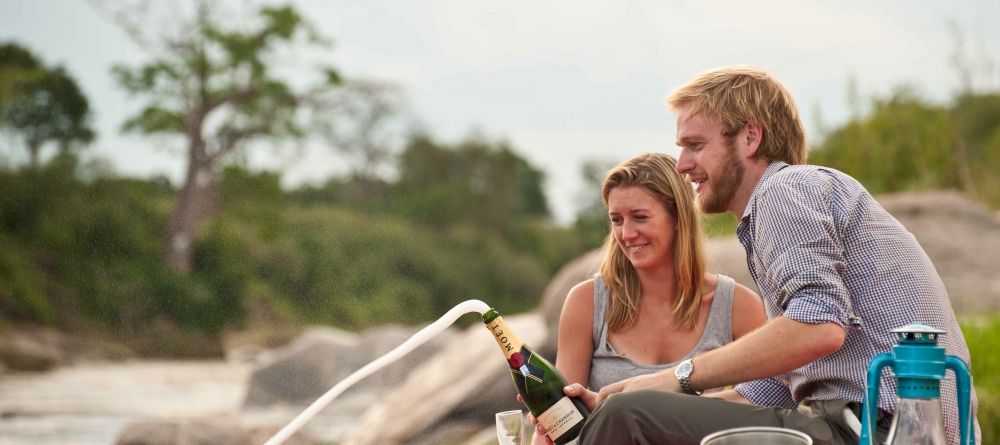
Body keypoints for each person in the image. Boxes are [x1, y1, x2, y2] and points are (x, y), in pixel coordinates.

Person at [538, 66, 981, 445]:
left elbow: (819, 327)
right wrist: (639, 392)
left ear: (750, 138)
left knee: (628, 418)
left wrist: (673, 378)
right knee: (625, 409)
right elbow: (768, 391)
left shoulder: (784, 191)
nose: (682, 165)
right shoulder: (782, 210)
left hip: (881, 428)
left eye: (695, 145)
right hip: (853, 423)